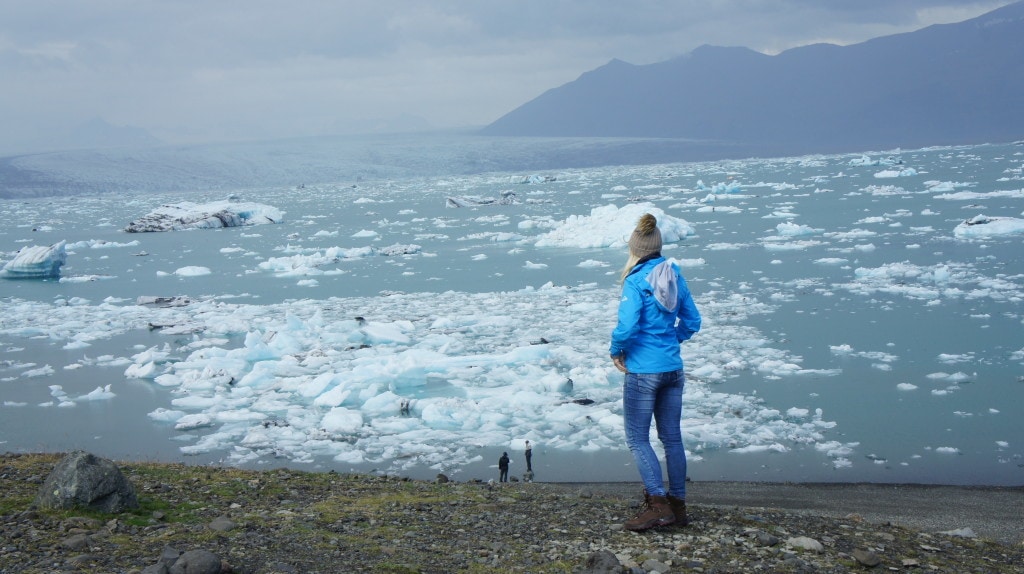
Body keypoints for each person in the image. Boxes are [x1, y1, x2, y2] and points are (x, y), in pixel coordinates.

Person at [609, 213, 701, 532]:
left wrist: (616, 350)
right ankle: (678, 506)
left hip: (643, 372)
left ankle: (657, 505)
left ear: (635, 250)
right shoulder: (674, 274)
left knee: (637, 438)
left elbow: (627, 325)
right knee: (672, 438)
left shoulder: (635, 280)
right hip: (673, 369)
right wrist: (668, 341)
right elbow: (692, 321)